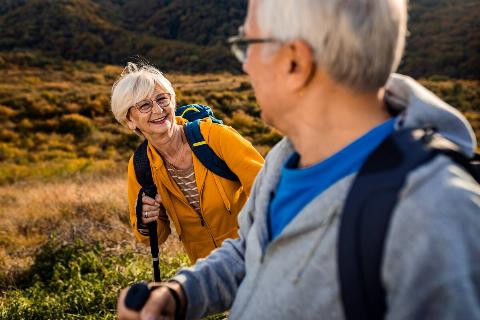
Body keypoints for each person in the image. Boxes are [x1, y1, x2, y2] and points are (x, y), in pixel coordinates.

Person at [117, 0, 480, 319]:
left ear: (296, 62)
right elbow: (254, 250)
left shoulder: (435, 214)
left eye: (248, 46)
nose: (245, 68)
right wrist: (182, 295)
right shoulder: (285, 160)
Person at [110, 62, 264, 263]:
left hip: (257, 255)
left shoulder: (215, 137)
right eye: (144, 105)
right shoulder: (140, 166)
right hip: (209, 272)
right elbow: (151, 238)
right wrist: (147, 219)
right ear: (129, 120)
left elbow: (268, 190)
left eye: (162, 99)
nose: (158, 110)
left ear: (172, 102)